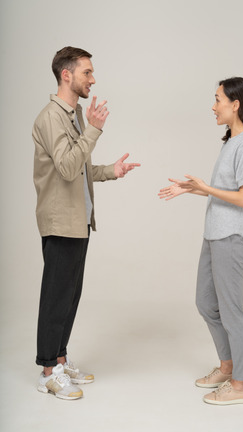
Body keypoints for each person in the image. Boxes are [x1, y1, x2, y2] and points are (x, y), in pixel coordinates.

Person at [33, 46, 140, 400]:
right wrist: (93, 130)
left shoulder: (74, 114)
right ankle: (49, 371)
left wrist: (112, 171)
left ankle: (60, 360)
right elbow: (66, 167)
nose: (92, 79)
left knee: (70, 295)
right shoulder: (51, 116)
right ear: (67, 75)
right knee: (56, 296)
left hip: (79, 221)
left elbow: (80, 168)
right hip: (60, 221)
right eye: (87, 73)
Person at [159, 77, 243, 405]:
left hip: (233, 237)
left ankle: (241, 385)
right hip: (216, 234)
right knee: (206, 303)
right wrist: (195, 189)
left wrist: (206, 188)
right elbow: (227, 191)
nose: (213, 105)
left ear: (236, 104)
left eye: (218, 99)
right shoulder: (231, 143)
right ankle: (228, 365)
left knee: (232, 311)